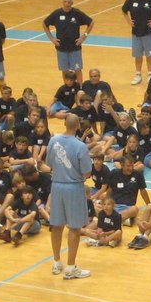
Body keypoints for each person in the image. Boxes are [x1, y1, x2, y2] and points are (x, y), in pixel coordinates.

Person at [47, 113, 94, 279]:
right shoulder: (80, 146)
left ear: (64, 124)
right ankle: (70, 267)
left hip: (56, 185)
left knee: (56, 225)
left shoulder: (53, 141)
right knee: (74, 227)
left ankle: (56, 262)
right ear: (78, 126)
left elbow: (49, 163)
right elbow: (87, 172)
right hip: (74, 188)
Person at [43, 0, 93, 80]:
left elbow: (91, 22)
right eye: (65, 2)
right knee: (64, 70)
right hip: (61, 47)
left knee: (77, 70)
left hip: (75, 47)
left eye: (69, 2)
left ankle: (79, 87)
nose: (67, 4)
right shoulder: (57, 13)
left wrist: (84, 36)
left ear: (72, 3)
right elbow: (44, 23)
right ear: (62, 2)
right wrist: (51, 38)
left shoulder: (77, 13)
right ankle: (67, 86)